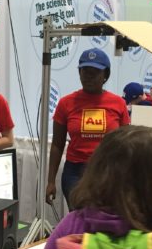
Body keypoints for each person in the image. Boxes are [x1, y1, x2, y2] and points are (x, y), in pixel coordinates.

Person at [45, 48, 129, 209]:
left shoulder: (118, 103)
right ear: (79, 73)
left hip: (107, 170)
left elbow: (125, 144)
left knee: (105, 219)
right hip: (75, 172)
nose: (89, 77)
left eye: (95, 72)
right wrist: (50, 181)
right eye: (85, 71)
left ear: (105, 75)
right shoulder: (66, 103)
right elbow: (57, 144)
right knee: (80, 219)